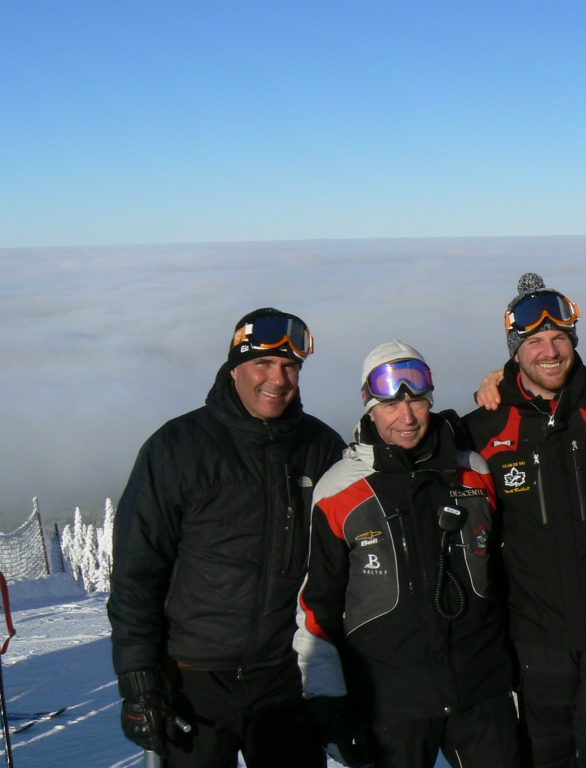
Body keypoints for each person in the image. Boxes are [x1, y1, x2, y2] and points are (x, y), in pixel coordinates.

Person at [107, 307, 346, 768]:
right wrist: (139, 679)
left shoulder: (320, 448)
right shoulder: (177, 448)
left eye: (290, 366)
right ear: (235, 366)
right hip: (193, 679)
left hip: (284, 677)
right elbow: (137, 571)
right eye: (263, 363)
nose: (277, 378)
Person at [293, 340, 519, 768]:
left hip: (479, 690)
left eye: (417, 400)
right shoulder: (340, 490)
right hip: (389, 701)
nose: (407, 416)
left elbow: (506, 573)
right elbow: (318, 604)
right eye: (391, 405)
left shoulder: (472, 469)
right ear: (369, 406)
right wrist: (325, 697)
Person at [463, 273, 586, 768]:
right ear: (515, 351)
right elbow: (412, 450)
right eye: (534, 341)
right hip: (534, 639)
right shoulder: (483, 430)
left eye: (559, 338)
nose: (549, 350)